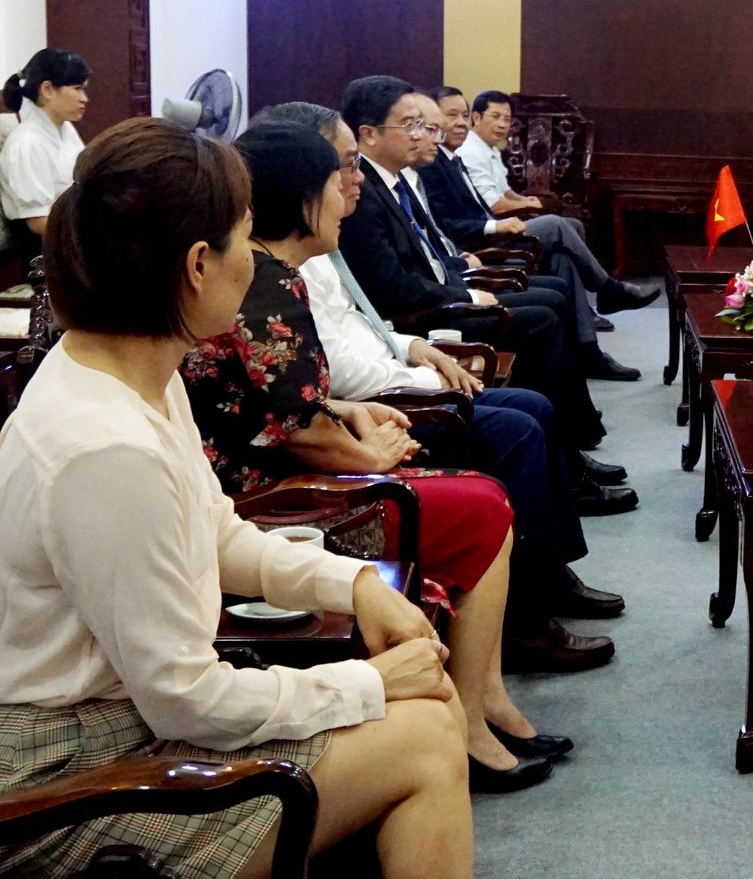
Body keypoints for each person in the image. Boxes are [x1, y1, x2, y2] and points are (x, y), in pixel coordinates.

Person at [0, 119, 481, 879]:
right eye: (239, 239)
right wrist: (365, 681)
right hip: (44, 799)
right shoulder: (104, 443)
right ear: (196, 265)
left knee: (419, 714)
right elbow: (185, 700)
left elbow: (218, 532)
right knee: (419, 734)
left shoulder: (129, 369)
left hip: (108, 736)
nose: (250, 260)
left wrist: (358, 587)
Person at [178, 121, 567, 786]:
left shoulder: (274, 273)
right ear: (302, 194)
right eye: (338, 178)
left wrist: (345, 414)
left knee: (483, 490)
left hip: (280, 473)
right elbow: (296, 429)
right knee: (483, 506)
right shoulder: (265, 282)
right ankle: (470, 722)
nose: (348, 192)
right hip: (276, 500)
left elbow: (279, 399)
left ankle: (486, 697)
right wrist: (374, 456)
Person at [251, 101, 631, 673]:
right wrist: (420, 373)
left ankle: (550, 574)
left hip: (385, 377)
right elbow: (335, 370)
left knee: (529, 400)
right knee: (519, 421)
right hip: (378, 405)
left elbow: (362, 326)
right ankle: (526, 619)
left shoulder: (313, 247)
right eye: (342, 167)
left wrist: (414, 350)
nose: (352, 180)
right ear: (301, 182)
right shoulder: (281, 273)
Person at [334, 75, 608, 454]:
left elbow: (427, 250)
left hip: (438, 293)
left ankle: (571, 436)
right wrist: (467, 293)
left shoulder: (392, 183)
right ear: (368, 134)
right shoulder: (363, 197)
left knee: (550, 299)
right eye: (410, 125)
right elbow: (392, 289)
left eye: (423, 125)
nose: (422, 135)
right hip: (424, 314)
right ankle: (572, 440)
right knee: (541, 317)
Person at [412, 91, 642, 380]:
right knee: (559, 225)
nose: (460, 123)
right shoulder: (435, 165)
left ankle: (587, 352)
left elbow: (489, 200)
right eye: (451, 116)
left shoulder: (453, 159)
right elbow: (452, 225)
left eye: (462, 115)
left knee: (562, 258)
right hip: (480, 244)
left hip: (488, 234)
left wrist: (519, 204)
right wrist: (499, 224)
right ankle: (608, 289)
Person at [0, 47, 90, 247]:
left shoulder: (67, 130)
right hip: (49, 249)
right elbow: (39, 222)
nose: (84, 98)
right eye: (77, 88)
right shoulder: (26, 144)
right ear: (47, 89)